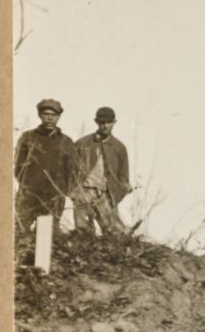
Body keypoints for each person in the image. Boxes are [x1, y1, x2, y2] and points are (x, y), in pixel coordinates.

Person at [14, 98, 75, 263]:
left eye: (54, 115)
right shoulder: (28, 138)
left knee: (46, 238)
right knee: (20, 231)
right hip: (29, 194)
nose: (50, 118)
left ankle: (42, 273)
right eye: (46, 114)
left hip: (53, 197)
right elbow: (18, 167)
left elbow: (71, 172)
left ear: (59, 117)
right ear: (40, 115)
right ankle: (17, 268)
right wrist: (28, 186)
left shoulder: (66, 142)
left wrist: (61, 191)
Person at [70, 106, 132, 237]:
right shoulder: (83, 143)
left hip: (105, 194)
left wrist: (116, 195)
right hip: (84, 191)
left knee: (113, 232)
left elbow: (123, 176)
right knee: (83, 231)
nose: (105, 126)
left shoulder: (119, 147)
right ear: (96, 122)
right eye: (102, 122)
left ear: (114, 122)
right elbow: (70, 169)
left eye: (109, 122)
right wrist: (74, 191)